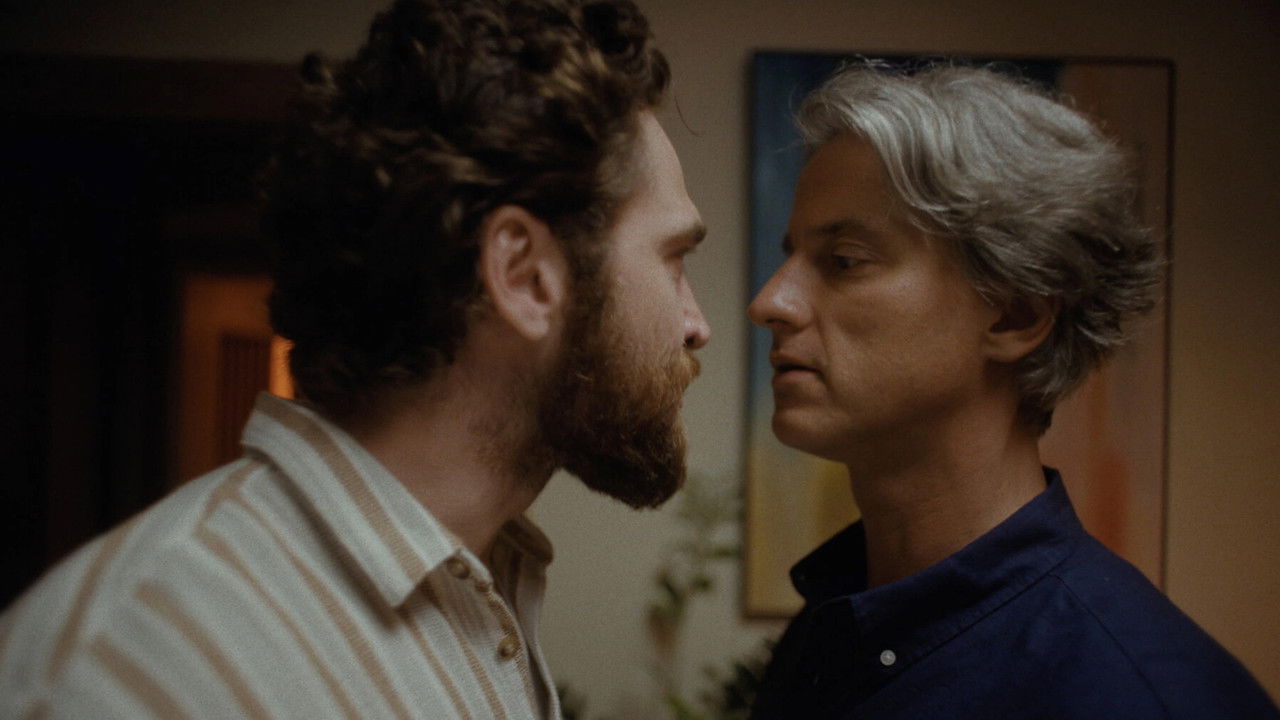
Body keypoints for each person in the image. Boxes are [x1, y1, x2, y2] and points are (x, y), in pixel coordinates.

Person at [0, 1, 710, 718]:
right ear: (524, 275)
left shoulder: (480, 590)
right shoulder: (125, 667)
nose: (696, 324)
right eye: (674, 259)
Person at [746, 63, 1277, 719]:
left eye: (844, 260)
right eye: (790, 256)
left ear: (1015, 315)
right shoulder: (829, 632)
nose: (770, 301)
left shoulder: (1140, 695)